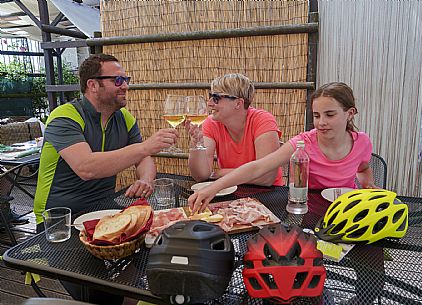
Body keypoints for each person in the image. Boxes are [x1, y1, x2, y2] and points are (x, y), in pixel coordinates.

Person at [188, 82, 382, 305]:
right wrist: (213, 187)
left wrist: (369, 187)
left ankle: (360, 300)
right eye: (317, 115)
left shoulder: (362, 142)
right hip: (309, 214)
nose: (321, 122)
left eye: (330, 114)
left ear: (350, 113)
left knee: (373, 266)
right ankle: (308, 295)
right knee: (293, 259)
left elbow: (364, 168)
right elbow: (258, 167)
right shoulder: (304, 142)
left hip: (346, 214)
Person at [33, 53, 178, 305]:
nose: (126, 85)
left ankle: (124, 295)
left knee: (158, 244)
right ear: (93, 84)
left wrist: (146, 179)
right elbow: (86, 167)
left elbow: (143, 160)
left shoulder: (124, 118)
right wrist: (145, 148)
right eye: (118, 80)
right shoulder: (65, 117)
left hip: (105, 212)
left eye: (126, 79)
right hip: (60, 222)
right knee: (97, 292)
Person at [185, 73, 283, 186]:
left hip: (268, 194)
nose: (209, 103)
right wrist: (196, 144)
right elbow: (201, 176)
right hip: (231, 189)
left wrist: (222, 173)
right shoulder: (211, 123)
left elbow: (265, 178)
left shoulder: (262, 120)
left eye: (216, 98)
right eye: (210, 96)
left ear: (238, 103)